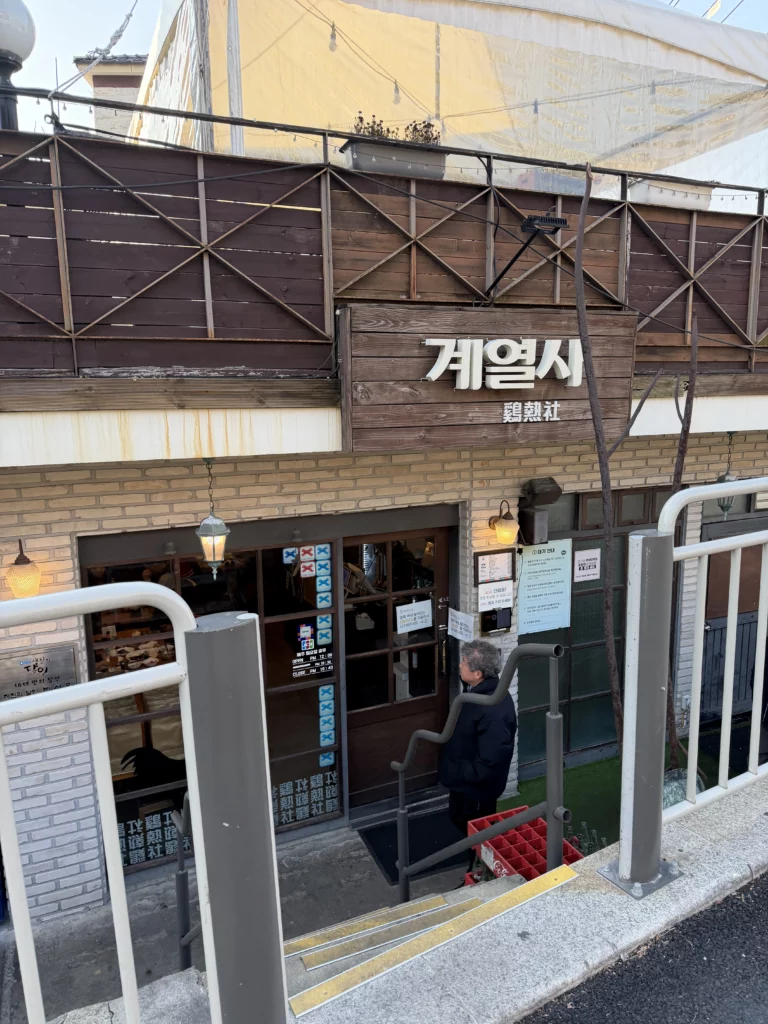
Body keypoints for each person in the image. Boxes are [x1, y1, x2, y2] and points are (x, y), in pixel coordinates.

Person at [438, 639, 517, 865]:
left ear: (478, 673)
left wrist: (457, 771)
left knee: (475, 830)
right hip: (467, 781)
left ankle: (480, 870)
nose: (459, 666)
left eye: (464, 662)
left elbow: (491, 760)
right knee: (462, 821)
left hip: (476, 788)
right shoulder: (480, 692)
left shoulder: (493, 709)